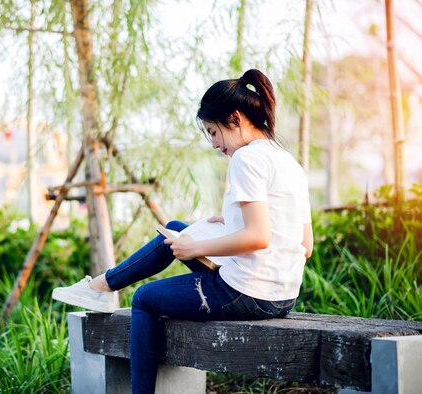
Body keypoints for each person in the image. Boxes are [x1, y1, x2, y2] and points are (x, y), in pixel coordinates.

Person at [52, 69, 313, 394]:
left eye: (213, 132)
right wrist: (227, 223)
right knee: (174, 230)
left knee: (144, 298)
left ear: (234, 119)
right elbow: (305, 245)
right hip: (283, 295)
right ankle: (101, 286)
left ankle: (102, 296)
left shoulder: (246, 159)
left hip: (248, 293)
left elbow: (259, 237)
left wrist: (193, 250)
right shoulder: (288, 162)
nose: (215, 145)